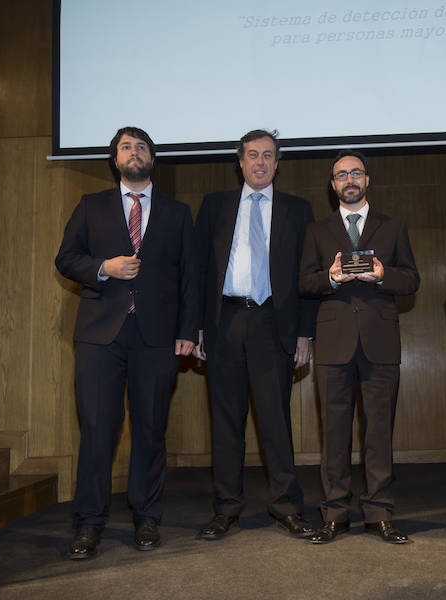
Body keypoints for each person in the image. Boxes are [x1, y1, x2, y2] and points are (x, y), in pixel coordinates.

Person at [55, 126, 198, 559]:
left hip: (156, 338)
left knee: (151, 431)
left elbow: (190, 278)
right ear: (114, 159)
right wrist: (104, 267)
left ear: (152, 158)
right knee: (98, 428)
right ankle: (88, 523)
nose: (134, 153)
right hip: (100, 336)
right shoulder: (90, 206)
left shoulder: (177, 212)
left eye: (141, 147)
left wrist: (188, 332)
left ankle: (147, 517)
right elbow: (66, 258)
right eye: (126, 147)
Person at [193, 129, 316, 540]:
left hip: (272, 325)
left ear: (277, 163)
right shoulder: (215, 206)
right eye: (252, 155)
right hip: (224, 322)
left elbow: (307, 277)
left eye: (267, 155)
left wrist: (304, 333)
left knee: (275, 421)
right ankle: (226, 508)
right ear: (240, 162)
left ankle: (286, 506)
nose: (259, 162)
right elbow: (198, 273)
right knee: (226, 421)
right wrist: (196, 328)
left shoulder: (298, 210)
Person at [299, 149, 420, 544]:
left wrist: (384, 275)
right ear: (332, 185)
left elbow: (412, 280)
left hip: (380, 343)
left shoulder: (393, 226)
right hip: (334, 344)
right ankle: (335, 514)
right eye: (341, 175)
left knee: (379, 431)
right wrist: (331, 279)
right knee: (334, 433)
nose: (349, 180)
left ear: (367, 180)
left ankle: (379, 513)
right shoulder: (317, 231)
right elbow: (304, 283)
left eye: (356, 173)